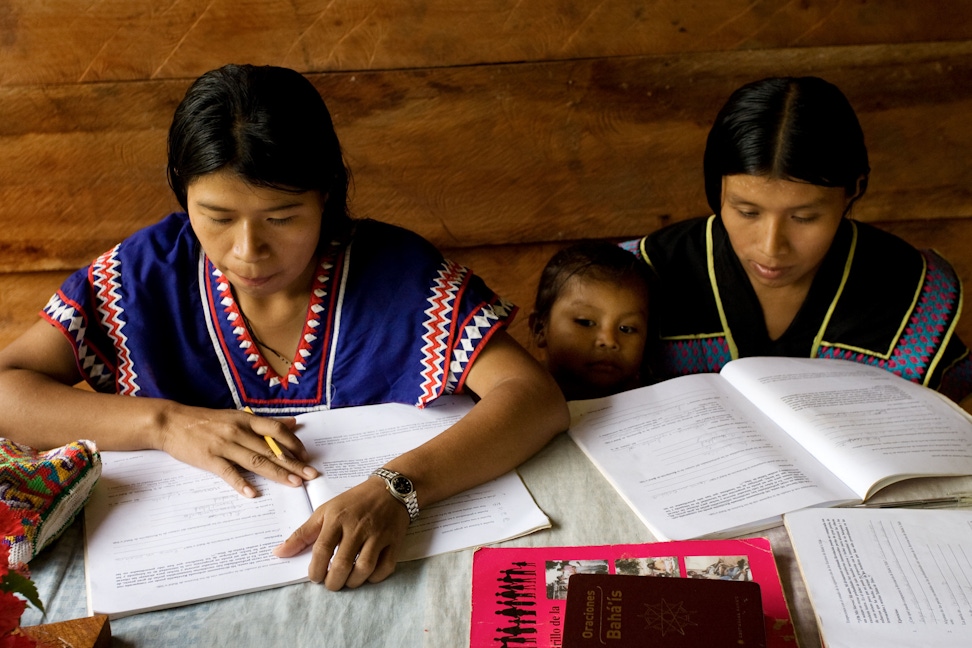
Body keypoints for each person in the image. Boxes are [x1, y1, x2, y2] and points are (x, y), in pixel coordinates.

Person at [0, 64, 569, 590]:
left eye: (282, 218)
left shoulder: (398, 275)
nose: (249, 251)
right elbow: (7, 386)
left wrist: (397, 491)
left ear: (326, 192)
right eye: (217, 218)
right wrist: (167, 423)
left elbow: (533, 397)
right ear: (182, 190)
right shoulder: (143, 277)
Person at [624, 76, 972, 404]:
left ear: (855, 189)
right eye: (747, 212)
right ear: (717, 189)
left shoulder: (905, 289)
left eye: (804, 218)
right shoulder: (641, 276)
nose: (771, 247)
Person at [529, 240, 652, 400]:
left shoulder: (653, 400)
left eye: (626, 329)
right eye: (585, 322)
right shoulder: (519, 399)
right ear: (540, 328)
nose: (609, 341)